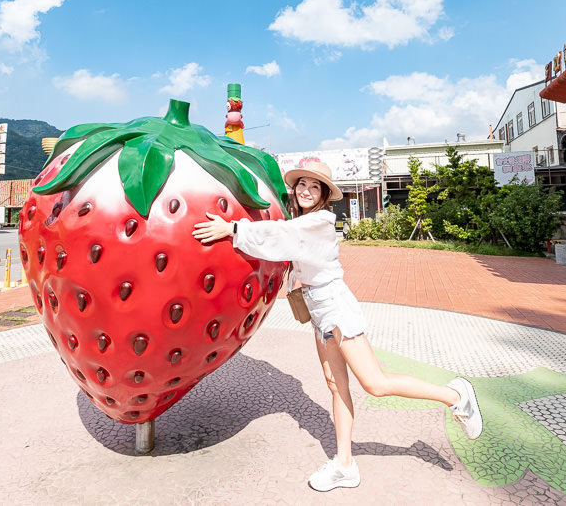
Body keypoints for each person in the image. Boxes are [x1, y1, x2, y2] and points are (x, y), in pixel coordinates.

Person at [193, 161, 483, 492]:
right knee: (335, 385)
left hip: (336, 311)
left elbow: (280, 236)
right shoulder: (304, 221)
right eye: (302, 184)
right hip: (320, 314)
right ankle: (345, 464)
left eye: (314, 187)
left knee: (375, 383)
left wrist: (233, 230)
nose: (305, 190)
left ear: (324, 195)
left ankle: (455, 396)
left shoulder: (318, 223)